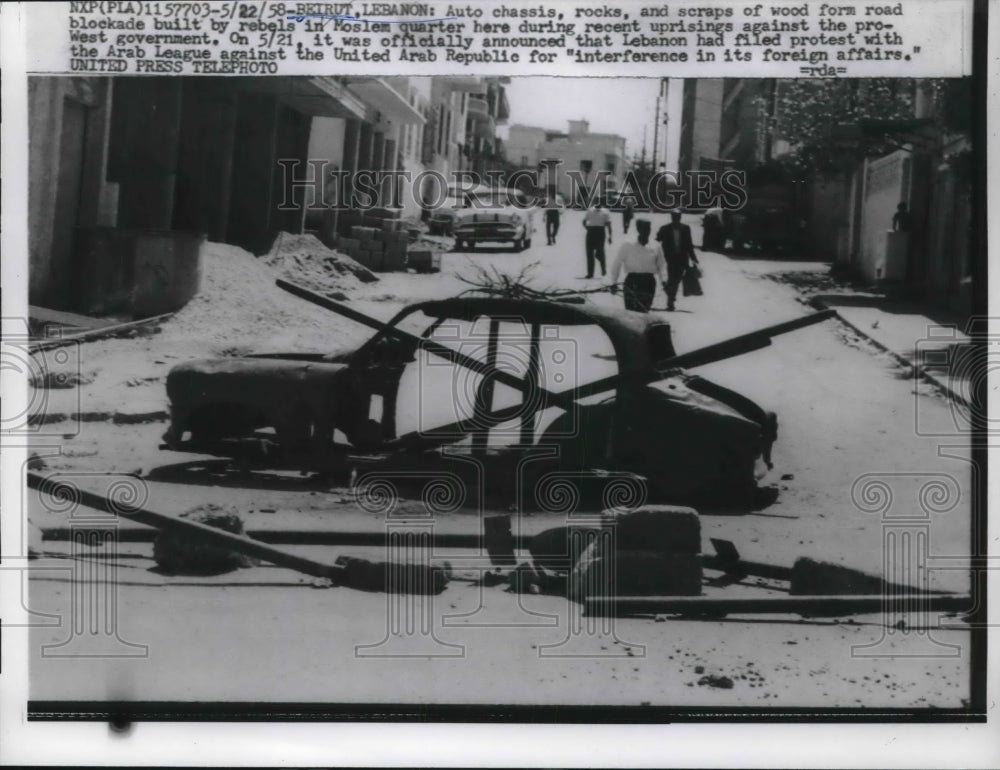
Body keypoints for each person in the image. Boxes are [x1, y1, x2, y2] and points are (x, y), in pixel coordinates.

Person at [608, 219, 665, 313]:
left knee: (644, 311)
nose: (647, 231)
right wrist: (614, 282)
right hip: (632, 281)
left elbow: (662, 264)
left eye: (649, 228)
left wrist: (664, 280)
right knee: (630, 312)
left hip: (649, 282)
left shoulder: (656, 246)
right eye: (644, 228)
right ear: (638, 229)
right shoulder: (627, 245)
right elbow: (617, 263)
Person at [656, 208, 699, 311]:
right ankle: (670, 301)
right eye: (674, 217)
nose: (676, 219)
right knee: (671, 279)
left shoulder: (686, 228)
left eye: (678, 217)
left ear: (680, 217)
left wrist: (693, 258)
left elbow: (689, 244)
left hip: (682, 258)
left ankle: (670, 294)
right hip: (669, 259)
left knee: (677, 280)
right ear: (671, 217)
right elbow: (657, 241)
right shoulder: (665, 228)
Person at [583, 201, 612, 278]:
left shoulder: (605, 211)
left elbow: (609, 224)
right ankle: (590, 273)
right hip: (591, 232)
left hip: (600, 232)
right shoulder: (590, 210)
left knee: (600, 252)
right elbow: (584, 221)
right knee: (589, 253)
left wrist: (610, 236)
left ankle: (603, 268)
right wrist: (587, 228)